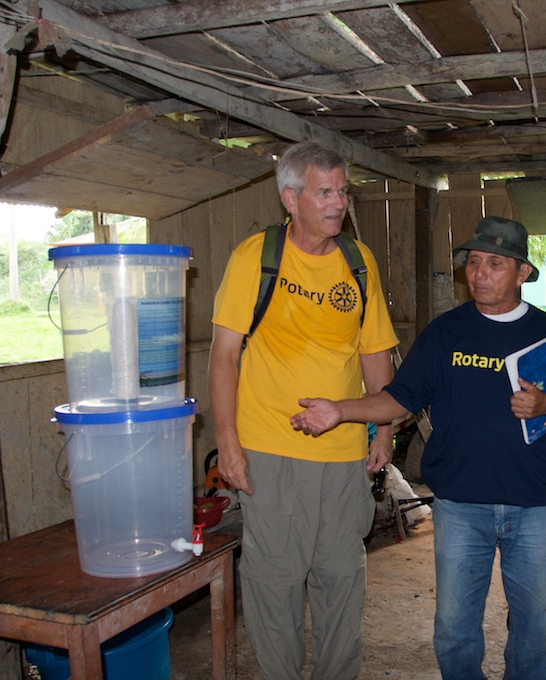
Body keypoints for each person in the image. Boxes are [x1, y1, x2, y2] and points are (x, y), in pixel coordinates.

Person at [291, 216, 546, 680]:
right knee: (454, 627)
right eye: (473, 262)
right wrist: (341, 410)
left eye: (495, 263)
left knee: (533, 625)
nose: (480, 273)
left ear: (522, 273)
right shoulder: (445, 334)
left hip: (533, 502)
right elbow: (399, 397)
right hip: (460, 504)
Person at [208, 140, 399, 680]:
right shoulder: (255, 257)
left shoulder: (358, 262)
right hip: (269, 449)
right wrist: (228, 444)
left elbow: (374, 353)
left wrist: (384, 430)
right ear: (291, 199)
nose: (338, 202)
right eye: (324, 192)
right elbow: (223, 356)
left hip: (344, 452)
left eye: (342, 191)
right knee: (273, 580)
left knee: (342, 577)